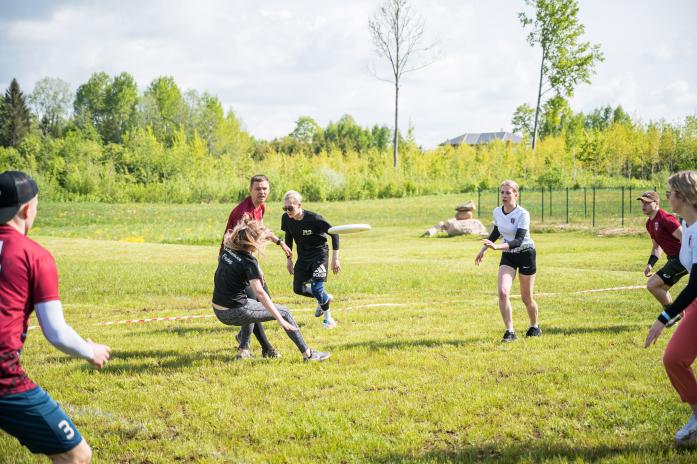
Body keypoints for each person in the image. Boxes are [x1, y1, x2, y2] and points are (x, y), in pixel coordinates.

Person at [0, 171, 111, 463]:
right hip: (3, 380)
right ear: (27, 209)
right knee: (77, 455)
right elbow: (56, 332)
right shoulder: (34, 255)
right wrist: (90, 351)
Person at [212, 217, 330, 362]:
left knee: (251, 305)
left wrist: (272, 240)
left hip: (217, 309)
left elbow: (238, 259)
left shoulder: (228, 250)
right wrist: (280, 319)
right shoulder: (249, 262)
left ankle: (244, 350)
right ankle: (309, 355)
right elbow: (260, 293)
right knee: (284, 312)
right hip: (233, 312)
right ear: (252, 243)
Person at [645, 171, 697, 446]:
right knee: (674, 358)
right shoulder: (687, 225)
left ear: (684, 196)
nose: (668, 197)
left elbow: (695, 284)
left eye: (671, 193)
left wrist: (665, 316)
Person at [220, 174, 292, 359]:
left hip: (245, 259)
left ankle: (244, 338)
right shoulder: (243, 213)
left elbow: (260, 230)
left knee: (263, 301)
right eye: (258, 189)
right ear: (250, 190)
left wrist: (279, 242)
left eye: (265, 188)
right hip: (234, 261)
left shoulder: (260, 207)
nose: (262, 192)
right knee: (255, 302)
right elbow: (240, 244)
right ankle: (258, 348)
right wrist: (255, 267)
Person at [475, 179, 540, 342]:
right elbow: (497, 231)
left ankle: (535, 327)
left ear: (516, 195)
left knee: (526, 298)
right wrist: (484, 249)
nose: (504, 195)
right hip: (508, 255)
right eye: (502, 192)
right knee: (503, 292)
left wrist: (497, 247)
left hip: (525, 253)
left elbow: (518, 240)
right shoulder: (497, 211)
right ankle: (510, 331)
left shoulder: (523, 214)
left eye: (508, 193)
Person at [281, 191, 340, 329]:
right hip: (303, 257)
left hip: (319, 255)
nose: (287, 211)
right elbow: (288, 237)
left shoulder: (314, 219)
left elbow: (334, 233)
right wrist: (289, 259)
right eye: (285, 208)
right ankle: (325, 298)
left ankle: (329, 319)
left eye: (290, 207)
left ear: (299, 205)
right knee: (298, 288)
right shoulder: (286, 218)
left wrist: (335, 258)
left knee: (317, 288)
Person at [637, 190, 686, 326]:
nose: (644, 205)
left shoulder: (665, 218)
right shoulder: (649, 224)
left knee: (652, 285)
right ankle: (675, 314)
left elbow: (686, 238)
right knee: (661, 289)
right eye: (642, 202)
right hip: (673, 259)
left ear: (656, 203)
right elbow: (656, 247)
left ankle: (672, 315)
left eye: (647, 203)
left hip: (682, 259)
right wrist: (650, 264)